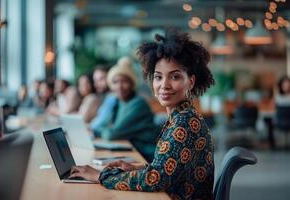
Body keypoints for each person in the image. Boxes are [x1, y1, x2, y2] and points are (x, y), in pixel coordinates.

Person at [69, 29, 215, 200]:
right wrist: (137, 168)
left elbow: (155, 180)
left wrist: (100, 176)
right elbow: (169, 170)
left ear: (190, 81)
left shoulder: (184, 122)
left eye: (175, 77)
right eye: (158, 77)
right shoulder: (182, 116)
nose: (164, 85)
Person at [91, 57, 159, 161]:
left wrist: (99, 131)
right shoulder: (118, 102)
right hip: (131, 151)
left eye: (124, 82)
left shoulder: (138, 104)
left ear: (132, 84)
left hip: (146, 156)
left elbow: (112, 134)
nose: (119, 86)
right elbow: (106, 127)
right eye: (115, 82)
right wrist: (100, 131)